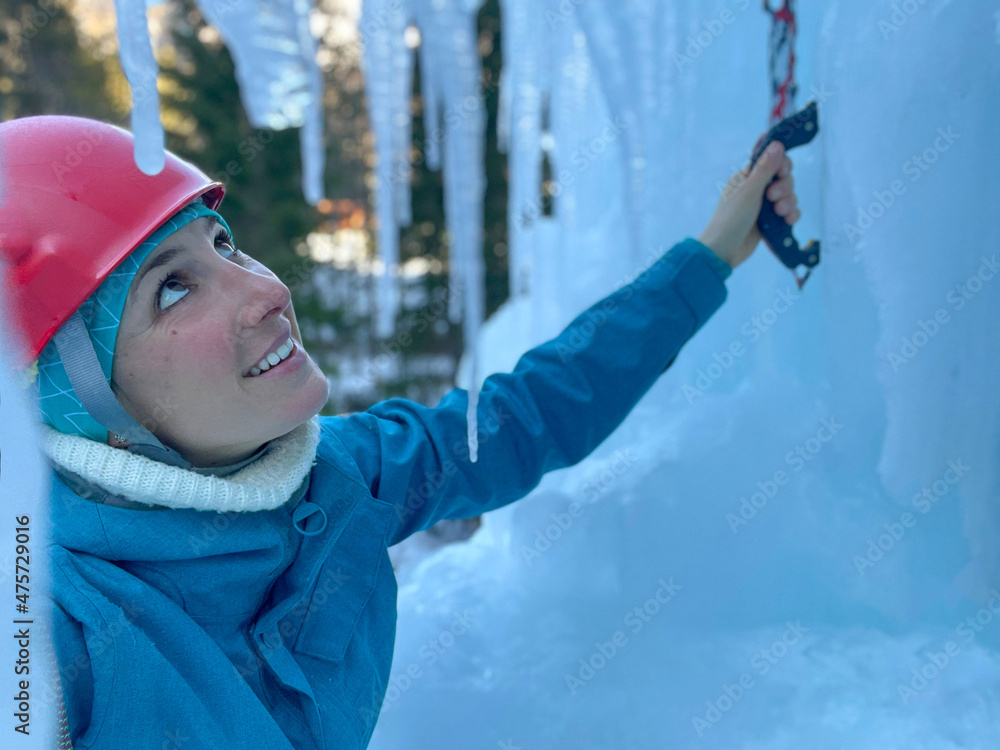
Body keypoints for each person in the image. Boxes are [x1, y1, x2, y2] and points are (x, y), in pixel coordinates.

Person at [0, 115, 798, 750]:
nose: (266, 293)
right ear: (79, 405)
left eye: (224, 245)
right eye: (173, 290)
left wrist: (713, 252)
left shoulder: (343, 476)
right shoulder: (47, 629)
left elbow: (528, 415)